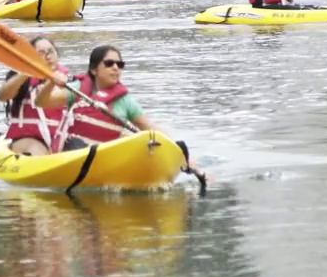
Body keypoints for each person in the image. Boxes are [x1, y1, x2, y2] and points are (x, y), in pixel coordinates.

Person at [36, 46, 211, 183]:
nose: (116, 68)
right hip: (72, 155)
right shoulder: (77, 90)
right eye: (109, 63)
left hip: (105, 161)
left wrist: (188, 160)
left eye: (119, 65)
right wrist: (51, 83)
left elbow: (150, 128)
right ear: (94, 69)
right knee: (77, 144)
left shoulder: (125, 101)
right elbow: (41, 102)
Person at [0, 36, 69, 155]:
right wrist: (26, 72)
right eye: (41, 53)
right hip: (29, 137)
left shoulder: (67, 79)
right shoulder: (20, 77)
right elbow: (3, 96)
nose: (48, 56)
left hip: (60, 136)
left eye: (51, 51)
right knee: (36, 151)